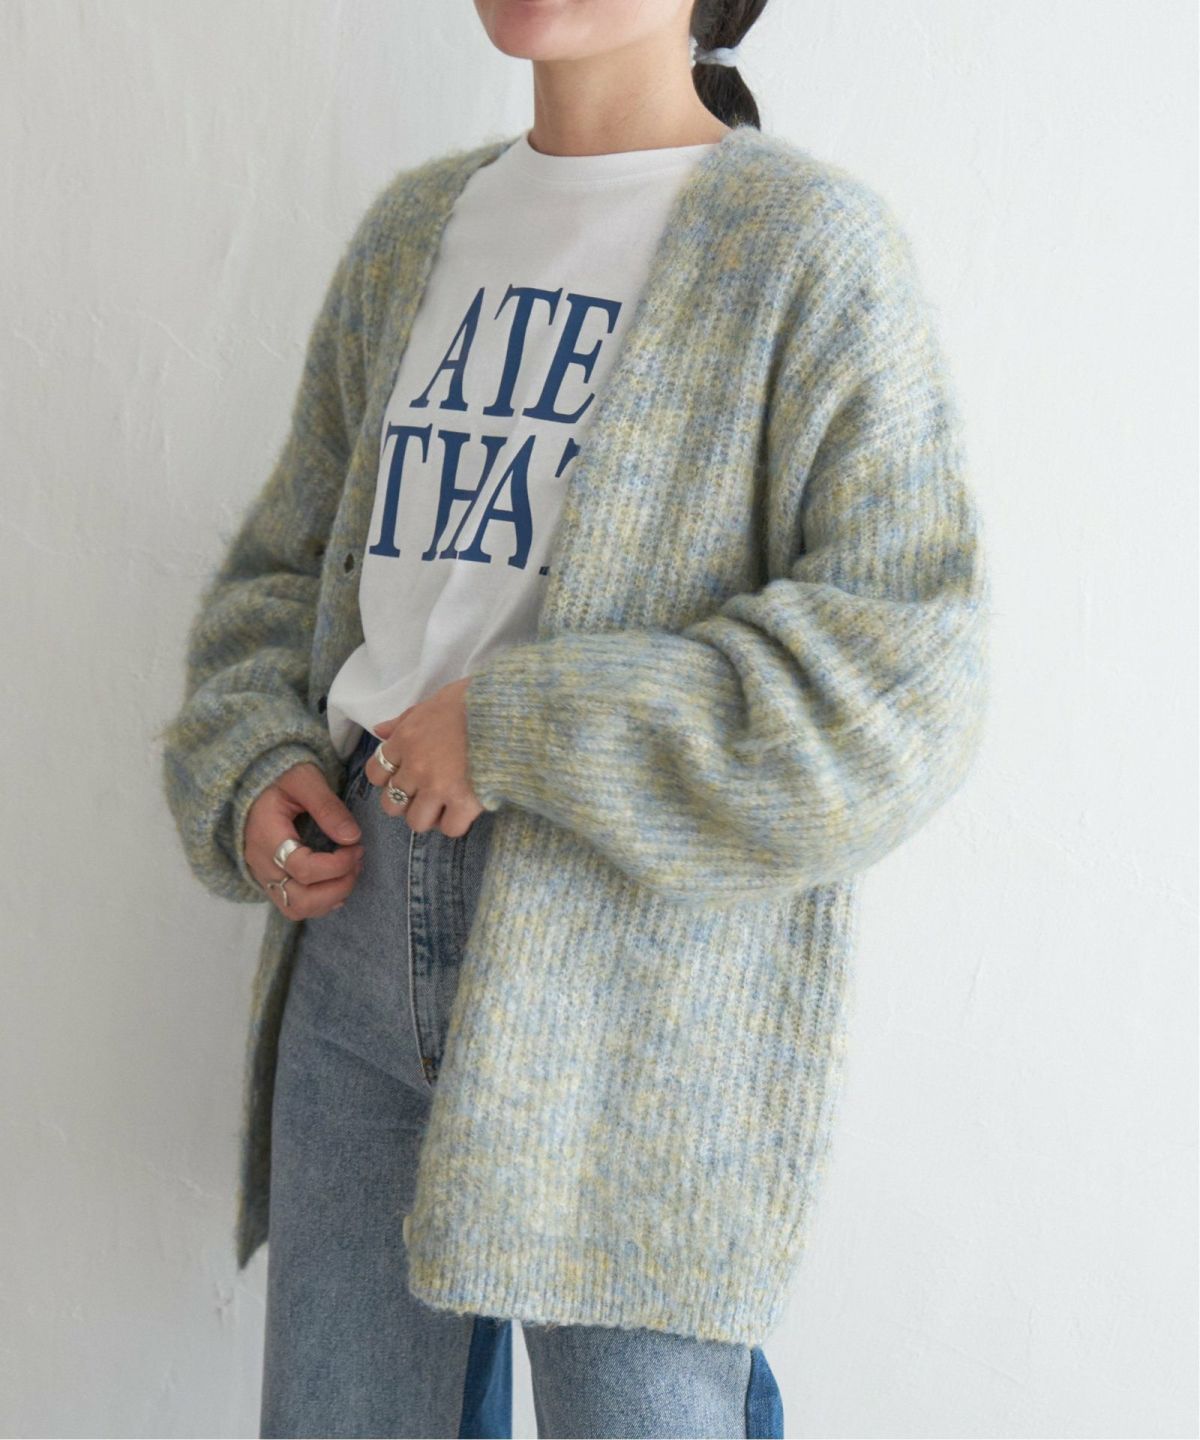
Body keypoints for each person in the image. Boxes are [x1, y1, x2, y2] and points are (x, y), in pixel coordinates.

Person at [159, 0, 991, 1434]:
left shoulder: (805, 250)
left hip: (635, 972)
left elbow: (905, 674)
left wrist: (528, 726)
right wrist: (257, 764)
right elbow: (281, 580)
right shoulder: (416, 232)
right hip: (354, 933)